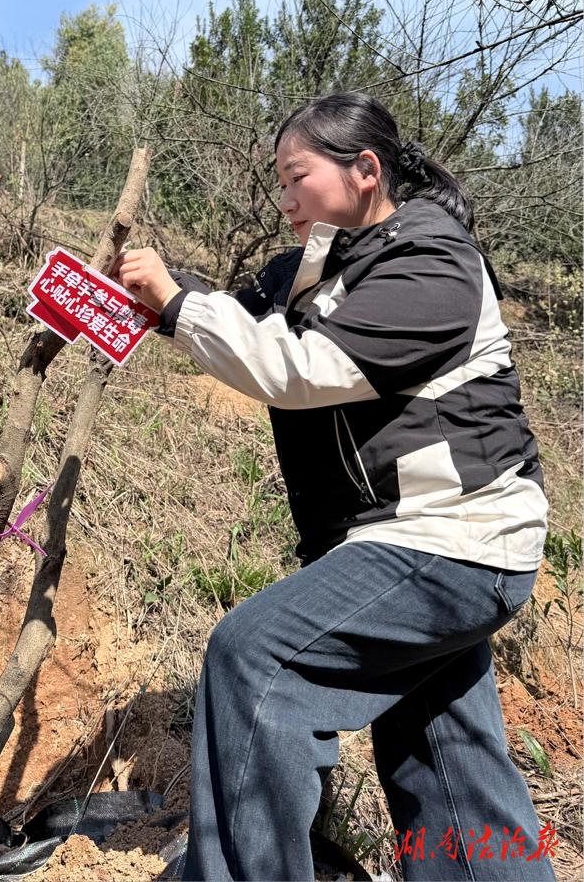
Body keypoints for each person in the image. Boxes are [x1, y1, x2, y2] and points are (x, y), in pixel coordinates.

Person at [114, 92, 553, 882]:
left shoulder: (433, 259)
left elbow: (303, 368)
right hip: (421, 545)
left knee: (255, 658)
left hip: (453, 537)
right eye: (277, 184)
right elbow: (238, 311)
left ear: (366, 171)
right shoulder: (317, 267)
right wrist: (148, 292)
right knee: (448, 765)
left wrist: (178, 308)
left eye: (296, 177)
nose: (283, 200)